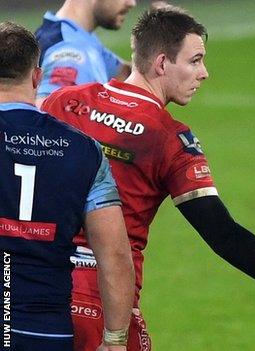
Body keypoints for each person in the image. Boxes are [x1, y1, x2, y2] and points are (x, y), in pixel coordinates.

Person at [41, 7, 255, 351]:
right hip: (105, 304)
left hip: (34, 288)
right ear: (162, 63)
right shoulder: (170, 138)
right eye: (195, 61)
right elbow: (223, 234)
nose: (204, 73)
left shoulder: (65, 102)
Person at [0, 22, 135, 351]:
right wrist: (115, 341)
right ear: (36, 77)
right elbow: (115, 255)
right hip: (47, 330)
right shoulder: (85, 150)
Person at [34, 0, 137, 107]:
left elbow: (126, 75)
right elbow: (50, 111)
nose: (131, 3)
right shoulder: (69, 52)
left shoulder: (77, 35)